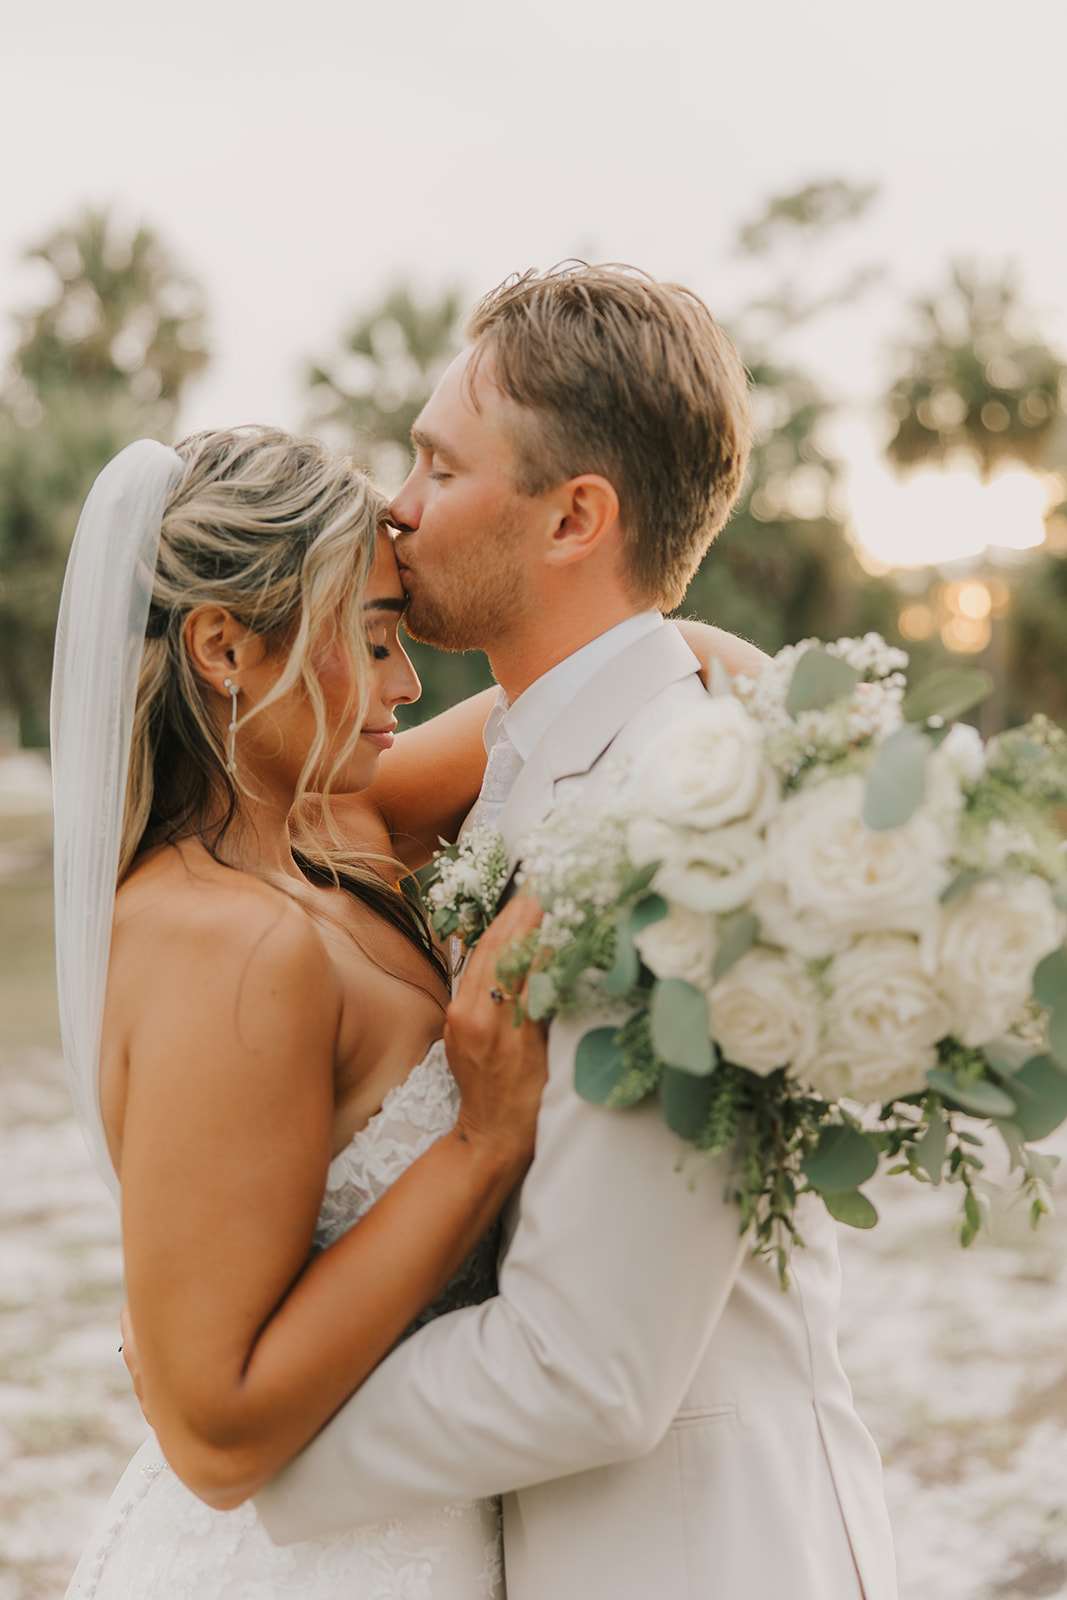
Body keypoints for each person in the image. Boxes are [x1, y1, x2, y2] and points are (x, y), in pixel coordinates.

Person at [250, 265, 899, 1600]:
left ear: (573, 519)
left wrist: (256, 1450)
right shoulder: (550, 743)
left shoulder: (686, 825)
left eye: (436, 463)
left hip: (699, 1556)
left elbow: (588, 1371)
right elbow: (291, 791)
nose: (398, 505)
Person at [58, 426, 548, 1597]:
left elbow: (544, 719)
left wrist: (716, 673)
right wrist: (481, 1145)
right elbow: (214, 1435)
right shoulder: (226, 944)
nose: (406, 683)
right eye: (374, 639)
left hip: (415, 1526)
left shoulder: (332, 834)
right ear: (224, 646)